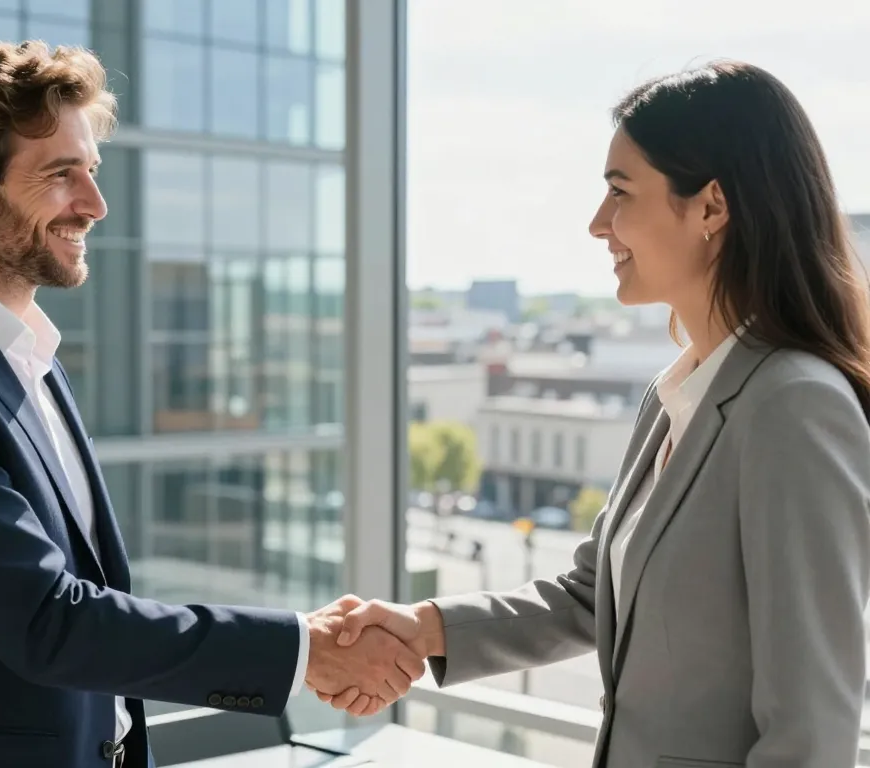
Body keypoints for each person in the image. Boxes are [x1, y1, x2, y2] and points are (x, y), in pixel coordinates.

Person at [0, 41, 423, 768]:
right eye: (61, 175)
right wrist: (305, 652)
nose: (94, 203)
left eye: (90, 170)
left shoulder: (28, 357)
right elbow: (48, 620)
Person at [315, 61, 870, 767]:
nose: (597, 223)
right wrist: (422, 627)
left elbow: (810, 734)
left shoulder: (795, 406)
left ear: (711, 207)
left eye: (619, 192)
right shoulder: (676, 393)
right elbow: (591, 598)